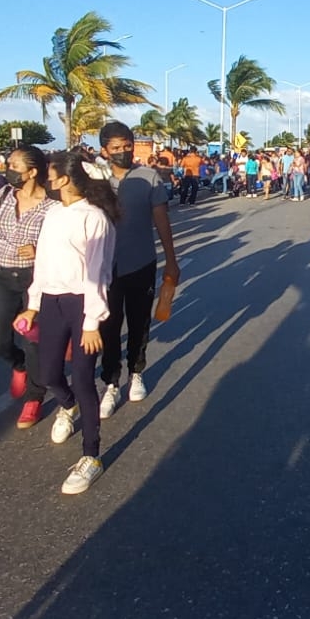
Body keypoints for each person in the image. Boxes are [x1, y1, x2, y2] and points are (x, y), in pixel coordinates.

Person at [15, 149, 119, 495]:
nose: (47, 176)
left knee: (85, 378)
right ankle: (68, 406)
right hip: (51, 302)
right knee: (46, 374)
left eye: (52, 171)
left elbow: (98, 273)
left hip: (83, 305)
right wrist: (32, 305)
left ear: (66, 178)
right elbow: (42, 263)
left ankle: (91, 455)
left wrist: (92, 322)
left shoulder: (95, 218)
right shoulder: (54, 213)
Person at [95, 122, 180, 419]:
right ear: (104, 151)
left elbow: (162, 222)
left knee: (139, 322)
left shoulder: (149, 177)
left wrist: (171, 260)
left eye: (127, 146)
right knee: (108, 326)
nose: (122, 152)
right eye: (115, 148)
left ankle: (136, 372)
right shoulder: (96, 181)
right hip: (103, 268)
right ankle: (110, 383)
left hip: (141, 262)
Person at [0, 145, 56, 428]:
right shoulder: (5, 194)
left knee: (33, 342)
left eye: (14, 165)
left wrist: (41, 248)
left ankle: (34, 396)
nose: (8, 169)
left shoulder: (53, 205)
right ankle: (17, 365)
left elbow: (65, 242)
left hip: (36, 279)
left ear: (32, 172)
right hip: (1, 275)